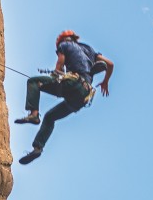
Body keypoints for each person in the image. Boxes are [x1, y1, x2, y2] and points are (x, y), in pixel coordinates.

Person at [15, 30, 114, 165]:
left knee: (34, 82)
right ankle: (37, 148)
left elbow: (59, 66)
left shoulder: (64, 45)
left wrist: (56, 74)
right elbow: (110, 64)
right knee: (50, 117)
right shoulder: (89, 49)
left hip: (73, 83)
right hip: (83, 96)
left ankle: (34, 114)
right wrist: (105, 82)